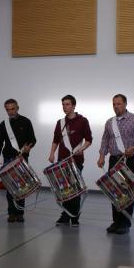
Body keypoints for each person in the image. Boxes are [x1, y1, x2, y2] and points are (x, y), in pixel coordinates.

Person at [97, 94, 134, 235]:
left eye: (118, 103)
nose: (116, 106)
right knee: (114, 191)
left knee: (126, 191)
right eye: (114, 104)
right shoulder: (109, 122)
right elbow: (105, 140)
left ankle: (125, 223)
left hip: (130, 159)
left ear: (125, 104)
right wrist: (102, 156)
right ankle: (116, 221)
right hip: (114, 159)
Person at [48, 95, 92, 226]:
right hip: (62, 161)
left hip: (76, 160)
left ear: (73, 106)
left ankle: (74, 216)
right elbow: (56, 140)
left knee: (75, 189)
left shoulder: (83, 121)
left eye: (67, 104)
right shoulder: (60, 123)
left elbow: (89, 140)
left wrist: (82, 148)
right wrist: (52, 154)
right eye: (63, 104)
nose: (64, 107)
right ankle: (66, 215)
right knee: (64, 189)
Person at [0, 99, 37, 222]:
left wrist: (29, 147)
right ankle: (11, 213)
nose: (10, 112)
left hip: (22, 158)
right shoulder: (4, 124)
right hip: (8, 158)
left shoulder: (26, 121)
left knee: (22, 187)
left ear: (17, 108)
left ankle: (20, 213)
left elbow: (33, 139)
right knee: (10, 188)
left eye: (13, 109)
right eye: (8, 110)